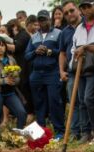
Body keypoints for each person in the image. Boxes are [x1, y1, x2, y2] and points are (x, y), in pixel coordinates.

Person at [26, 10, 65, 138]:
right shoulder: (33, 37)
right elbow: (26, 56)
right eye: (40, 20)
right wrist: (35, 52)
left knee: (54, 102)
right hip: (37, 74)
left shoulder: (58, 33)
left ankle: (59, 131)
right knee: (39, 104)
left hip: (52, 72)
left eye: (45, 19)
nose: (43, 22)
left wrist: (49, 51)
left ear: (50, 20)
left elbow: (61, 52)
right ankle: (41, 132)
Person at [73, 0, 94, 143]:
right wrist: (76, 54)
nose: (86, 10)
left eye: (88, 6)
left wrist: (87, 48)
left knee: (88, 98)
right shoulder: (79, 28)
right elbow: (73, 49)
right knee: (81, 101)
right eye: (83, 8)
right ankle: (85, 131)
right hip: (80, 68)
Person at [0, 35, 28, 139]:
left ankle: (18, 138)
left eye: (2, 45)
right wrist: (3, 81)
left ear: (5, 47)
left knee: (22, 113)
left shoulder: (11, 59)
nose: (0, 48)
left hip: (10, 93)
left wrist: (14, 81)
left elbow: (18, 77)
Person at [58, 1, 83, 141]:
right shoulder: (64, 32)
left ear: (78, 10)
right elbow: (62, 53)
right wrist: (61, 71)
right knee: (73, 103)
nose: (69, 14)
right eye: (66, 13)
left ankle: (88, 131)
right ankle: (74, 132)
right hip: (72, 71)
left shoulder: (87, 25)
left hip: (87, 70)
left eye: (71, 10)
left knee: (86, 101)